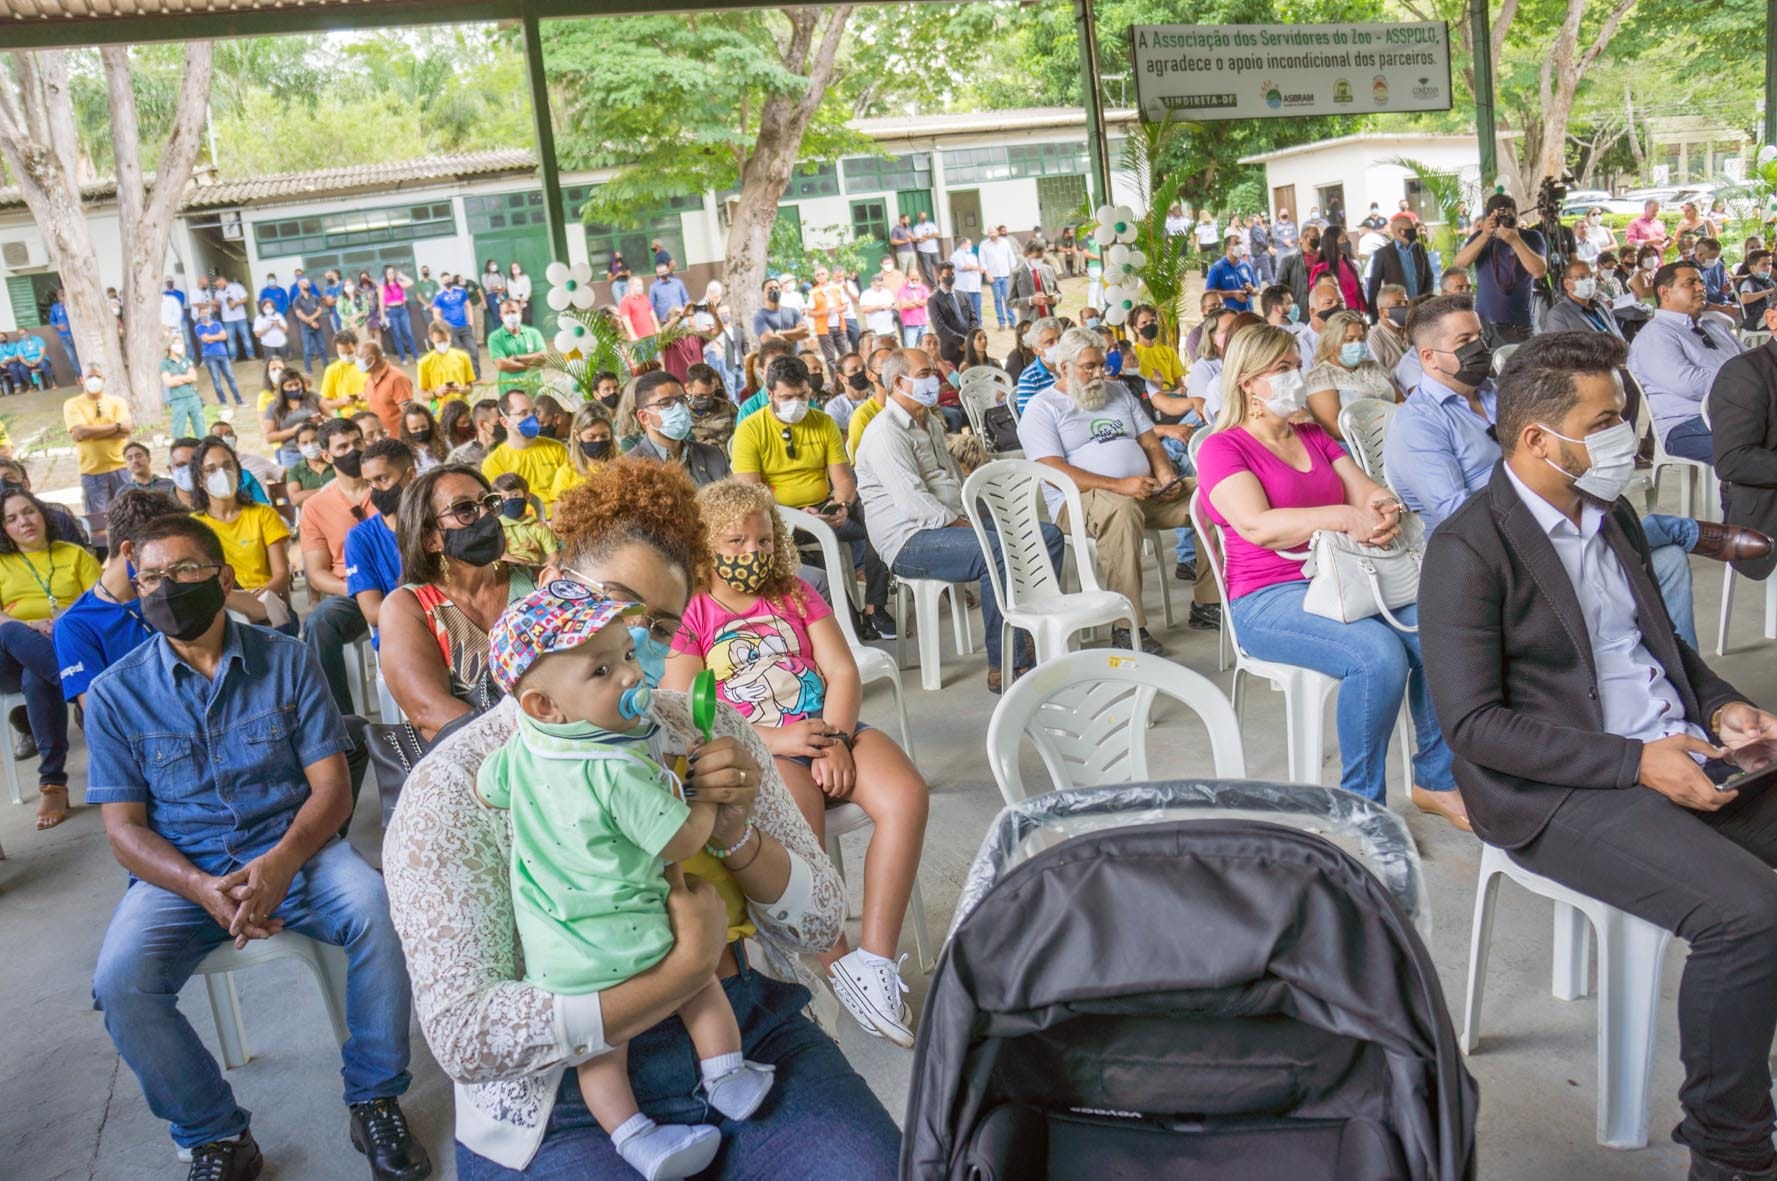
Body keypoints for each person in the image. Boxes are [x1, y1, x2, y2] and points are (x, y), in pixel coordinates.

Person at [383, 455, 896, 1179]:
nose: (636, 650)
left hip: (742, 1034)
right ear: (555, 585)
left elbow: (816, 926)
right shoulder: (459, 782)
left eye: (658, 625)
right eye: (619, 603)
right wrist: (681, 969)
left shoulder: (702, 731)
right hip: (559, 1091)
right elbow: (467, 1036)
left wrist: (734, 829)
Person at [1415, 332, 1777, 1181]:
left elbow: (1663, 647)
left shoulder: (1607, 512)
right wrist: (1634, 761)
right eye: (1607, 419)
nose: (1628, 436)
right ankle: (1731, 1151)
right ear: (1539, 439)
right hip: (1560, 786)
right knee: (1749, 916)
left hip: (1675, 746)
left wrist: (1724, 706)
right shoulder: (1468, 549)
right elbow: (1473, 726)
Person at [87, 514, 426, 1181]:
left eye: (183, 571)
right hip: (181, 875)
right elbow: (124, 831)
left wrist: (279, 863)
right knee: (119, 981)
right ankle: (215, 1133)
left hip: (297, 851)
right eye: (150, 576)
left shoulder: (288, 659)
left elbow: (330, 788)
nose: (166, 587)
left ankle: (374, 1096)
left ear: (223, 576)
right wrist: (200, 886)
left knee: (378, 907)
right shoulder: (114, 692)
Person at [481, 581, 776, 1179]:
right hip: (638, 933)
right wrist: (699, 795)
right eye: (601, 671)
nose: (629, 676)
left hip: (558, 951)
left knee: (598, 1052)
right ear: (544, 705)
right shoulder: (613, 770)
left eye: (626, 656)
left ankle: (634, 1137)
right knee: (700, 987)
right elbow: (682, 840)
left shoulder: (525, 748)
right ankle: (726, 1076)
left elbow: (489, 787)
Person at [665, 479, 929, 1045]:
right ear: (706, 542)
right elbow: (684, 708)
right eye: (734, 541)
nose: (750, 554)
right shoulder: (692, 611)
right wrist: (774, 740)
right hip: (764, 745)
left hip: (831, 726)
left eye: (762, 541)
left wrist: (834, 738)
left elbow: (841, 670)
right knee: (796, 813)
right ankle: (833, 957)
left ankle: (873, 964)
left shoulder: (794, 594)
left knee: (905, 793)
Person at [1197, 322, 1463, 819]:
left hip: (1345, 577)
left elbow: (1364, 489)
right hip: (1268, 596)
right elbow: (1256, 526)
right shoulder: (1223, 448)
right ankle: (1359, 805)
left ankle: (1436, 779)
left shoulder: (1313, 435)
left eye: (1296, 367)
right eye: (1281, 370)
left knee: (1439, 631)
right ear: (1247, 382)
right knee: (1377, 656)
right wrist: (1343, 516)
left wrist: (1382, 508)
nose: (1295, 378)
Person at [856, 348, 1064, 692]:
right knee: (994, 550)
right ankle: (1006, 665)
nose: (933, 380)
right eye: (924, 374)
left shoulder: (929, 423)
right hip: (909, 541)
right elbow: (915, 506)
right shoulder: (885, 433)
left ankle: (1029, 633)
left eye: (932, 373)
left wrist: (982, 517)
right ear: (897, 382)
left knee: (1047, 536)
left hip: (950, 524)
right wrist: (971, 527)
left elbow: (953, 481)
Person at [1019, 327, 1215, 654]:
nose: (1099, 374)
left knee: (1209, 495)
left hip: (1143, 492)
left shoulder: (1118, 393)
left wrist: (1166, 475)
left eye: (1101, 365)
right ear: (1064, 367)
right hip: (1078, 502)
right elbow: (1054, 472)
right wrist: (1120, 485)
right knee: (1121, 510)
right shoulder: (1043, 408)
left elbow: (1149, 441)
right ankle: (1127, 627)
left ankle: (1208, 603)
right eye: (1089, 367)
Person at [733, 354, 893, 638]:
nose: (796, 403)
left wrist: (841, 503)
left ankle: (874, 606)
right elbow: (751, 494)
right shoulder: (751, 429)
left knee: (880, 520)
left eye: (802, 395)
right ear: (769, 394)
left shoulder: (823, 422)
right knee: (846, 625)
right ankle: (843, 619)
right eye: (786, 397)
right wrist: (793, 516)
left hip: (825, 509)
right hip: (778, 519)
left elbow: (843, 477)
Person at [379, 465, 538, 736]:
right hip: (474, 755)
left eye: (489, 502)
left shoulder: (537, 583)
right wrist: (524, 748)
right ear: (430, 539)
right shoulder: (408, 607)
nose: (486, 514)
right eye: (465, 509)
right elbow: (428, 710)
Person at [0, 486, 97, 830]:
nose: (23, 521)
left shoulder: (74, 554)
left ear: (42, 514)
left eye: (28, 511)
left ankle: (52, 782)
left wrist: (62, 621)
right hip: (10, 652)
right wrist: (30, 625)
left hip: (67, 644)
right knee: (11, 634)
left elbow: (98, 602)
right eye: (11, 519)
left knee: (35, 677)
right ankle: (92, 699)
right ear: (3, 529)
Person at [54, 488, 182, 716]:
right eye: (165, 552)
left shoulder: (174, 592)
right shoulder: (75, 625)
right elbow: (100, 717)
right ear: (130, 550)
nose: (172, 563)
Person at [1627, 261, 1741, 463]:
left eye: (1701, 282)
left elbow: (1754, 363)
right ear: (1664, 292)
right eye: (1690, 283)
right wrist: (1747, 381)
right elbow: (1691, 384)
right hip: (1686, 426)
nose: (1700, 287)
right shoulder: (1656, 334)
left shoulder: (1715, 326)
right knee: (1760, 447)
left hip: (1734, 415)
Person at [299, 418, 374, 715]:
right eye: (343, 446)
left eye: (358, 443)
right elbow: (317, 574)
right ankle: (341, 721)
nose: (353, 451)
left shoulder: (387, 487)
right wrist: (357, 589)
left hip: (400, 586)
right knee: (319, 622)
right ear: (327, 456)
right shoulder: (316, 507)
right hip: (351, 593)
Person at [189, 438, 297, 636]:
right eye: (211, 469)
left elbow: (281, 575)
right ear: (199, 479)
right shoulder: (194, 526)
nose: (221, 474)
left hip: (264, 601)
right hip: (218, 607)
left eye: (227, 465)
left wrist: (254, 597)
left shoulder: (263, 514)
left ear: (238, 472)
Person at [1452, 192, 1548, 346]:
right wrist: (1484, 235)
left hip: (1518, 325)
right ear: (1490, 218)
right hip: (1484, 324)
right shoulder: (1480, 238)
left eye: (1509, 216)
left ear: (1516, 215)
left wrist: (1515, 240)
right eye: (1499, 218)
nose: (1504, 221)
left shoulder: (1532, 237)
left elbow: (1539, 271)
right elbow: (1458, 265)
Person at [343, 438, 417, 638]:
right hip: (400, 639)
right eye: (369, 482)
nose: (374, 489)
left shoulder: (435, 524)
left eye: (382, 479)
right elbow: (373, 613)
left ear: (410, 475)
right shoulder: (360, 538)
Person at [1303, 311, 1401, 438]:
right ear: (1332, 341)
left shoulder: (1374, 367)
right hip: (1359, 446)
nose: (1357, 344)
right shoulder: (1319, 376)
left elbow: (1401, 401)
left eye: (1361, 339)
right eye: (1349, 340)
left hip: (1398, 435)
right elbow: (1333, 428)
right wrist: (1380, 426)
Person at [629, 370, 732, 488]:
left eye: (682, 400)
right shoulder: (630, 469)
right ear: (644, 417)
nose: (679, 409)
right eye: (666, 403)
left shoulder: (713, 455)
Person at [481, 389, 572, 510]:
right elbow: (502, 509)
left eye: (534, 412)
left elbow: (569, 494)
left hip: (560, 518)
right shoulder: (493, 463)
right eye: (523, 413)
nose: (532, 418)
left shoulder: (558, 449)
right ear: (505, 422)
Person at [64, 368, 133, 515]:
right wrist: (116, 427)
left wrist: (90, 434)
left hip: (121, 468)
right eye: (90, 376)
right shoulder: (72, 404)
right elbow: (79, 432)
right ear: (81, 380)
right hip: (92, 472)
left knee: (129, 514)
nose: (94, 380)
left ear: (104, 379)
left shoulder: (117, 402)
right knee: (98, 519)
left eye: (98, 376)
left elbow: (126, 430)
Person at [1366, 213, 1435, 311]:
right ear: (1401, 231)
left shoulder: (1420, 249)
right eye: (1411, 228)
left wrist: (1425, 299)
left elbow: (1429, 276)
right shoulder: (1383, 254)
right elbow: (1374, 286)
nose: (1414, 231)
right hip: (1398, 308)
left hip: (1421, 307)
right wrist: (1375, 315)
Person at [1543, 258, 1626, 339]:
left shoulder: (1602, 307)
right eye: (1582, 277)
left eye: (1591, 276)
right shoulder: (1558, 314)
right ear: (1567, 284)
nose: (1589, 281)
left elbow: (1619, 336)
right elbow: (1564, 349)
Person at [492, 472, 560, 567]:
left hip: (533, 573)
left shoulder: (539, 526)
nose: (509, 501)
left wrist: (544, 569)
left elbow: (554, 557)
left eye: (515, 495)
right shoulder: (496, 527)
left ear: (527, 497)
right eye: (503, 499)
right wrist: (523, 564)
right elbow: (501, 555)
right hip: (505, 571)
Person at [262, 367, 325, 469]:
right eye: (289, 386)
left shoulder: (312, 397)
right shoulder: (274, 406)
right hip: (291, 454)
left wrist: (321, 421)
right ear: (282, 388)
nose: (294, 388)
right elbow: (269, 437)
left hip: (318, 448)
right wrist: (293, 431)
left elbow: (330, 418)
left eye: (297, 384)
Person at [357, 337, 416, 440]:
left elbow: (409, 413)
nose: (357, 362)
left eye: (360, 358)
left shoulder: (397, 379)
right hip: (381, 440)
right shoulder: (369, 381)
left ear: (372, 359)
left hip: (399, 440)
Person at [1307, 223, 1367, 317]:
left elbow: (1359, 290)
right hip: (1335, 315)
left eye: (1347, 239)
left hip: (1356, 313)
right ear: (1333, 243)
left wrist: (1362, 308)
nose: (1347, 242)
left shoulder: (1352, 264)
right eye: (1343, 239)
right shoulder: (1320, 268)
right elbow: (1317, 295)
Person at [925, 260, 977, 364]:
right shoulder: (934, 300)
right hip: (951, 349)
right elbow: (940, 327)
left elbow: (973, 318)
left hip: (969, 347)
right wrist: (961, 341)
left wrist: (969, 339)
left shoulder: (963, 295)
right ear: (939, 277)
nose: (951, 277)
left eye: (952, 274)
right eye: (947, 274)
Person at [431, 273, 480, 380]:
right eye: (444, 280)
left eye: (448, 279)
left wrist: (470, 322)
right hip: (451, 330)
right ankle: (463, 378)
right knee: (459, 353)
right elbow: (436, 314)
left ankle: (477, 377)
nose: (447, 281)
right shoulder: (439, 296)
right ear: (442, 282)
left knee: (474, 350)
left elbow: (468, 306)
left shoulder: (461, 291)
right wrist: (443, 329)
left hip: (464, 326)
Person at [193, 301, 242, 408]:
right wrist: (216, 336)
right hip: (209, 356)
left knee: (231, 378)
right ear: (199, 314)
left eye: (206, 312)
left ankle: (239, 401)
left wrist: (211, 337)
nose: (205, 314)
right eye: (203, 313)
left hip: (223, 354)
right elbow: (205, 339)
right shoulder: (198, 327)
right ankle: (223, 402)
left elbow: (224, 337)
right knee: (216, 380)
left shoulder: (217, 323)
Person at [419, 320, 475, 413]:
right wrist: (436, 393)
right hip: (440, 411)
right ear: (431, 338)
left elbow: (470, 387)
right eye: (439, 341)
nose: (442, 344)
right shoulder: (424, 362)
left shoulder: (463, 357)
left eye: (445, 340)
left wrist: (462, 389)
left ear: (450, 336)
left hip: (462, 408)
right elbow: (424, 395)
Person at [160, 335, 210, 440]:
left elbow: (194, 377)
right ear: (169, 346)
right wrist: (186, 378)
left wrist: (178, 377)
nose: (180, 346)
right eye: (176, 343)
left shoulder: (186, 360)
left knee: (200, 428)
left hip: (193, 397)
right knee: (178, 431)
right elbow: (169, 382)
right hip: (178, 400)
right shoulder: (165, 363)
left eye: (180, 343)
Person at [1012, 316, 1064, 414]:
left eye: (1059, 339)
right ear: (1036, 350)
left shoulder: (1072, 366)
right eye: (1050, 342)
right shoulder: (1029, 379)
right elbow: (1031, 419)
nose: (1058, 344)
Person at [1009, 239, 1061, 325]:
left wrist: (1054, 299)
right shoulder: (1016, 274)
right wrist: (1031, 300)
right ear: (1027, 254)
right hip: (1030, 322)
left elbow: (1059, 294)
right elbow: (1010, 302)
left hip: (1050, 320)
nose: (1039, 260)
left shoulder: (1048, 270)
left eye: (1041, 257)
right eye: (1036, 257)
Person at [284, 420, 334, 506]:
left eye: (314, 440)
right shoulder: (295, 470)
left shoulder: (335, 462)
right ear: (298, 447)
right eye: (304, 443)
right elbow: (295, 499)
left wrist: (307, 494)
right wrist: (326, 489)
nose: (310, 445)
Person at [1205, 233, 1259, 313]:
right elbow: (1209, 293)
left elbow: (1256, 288)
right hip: (1228, 315)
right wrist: (1233, 294)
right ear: (1227, 247)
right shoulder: (1217, 268)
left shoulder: (1246, 266)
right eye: (1237, 243)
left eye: (1241, 243)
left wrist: (1252, 290)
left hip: (1247, 314)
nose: (1240, 246)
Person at [979, 226, 1018, 328]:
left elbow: (1011, 257)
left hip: (1006, 275)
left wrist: (1012, 271)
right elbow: (982, 260)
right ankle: (1001, 323)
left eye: (993, 232)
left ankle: (1012, 322)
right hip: (993, 276)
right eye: (989, 232)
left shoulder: (1005, 242)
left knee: (1008, 298)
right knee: (997, 300)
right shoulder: (984, 245)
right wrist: (986, 273)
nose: (991, 234)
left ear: (997, 232)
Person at [751, 276, 808, 347]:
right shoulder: (760, 316)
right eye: (770, 288)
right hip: (774, 357)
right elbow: (768, 339)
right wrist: (796, 334)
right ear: (763, 293)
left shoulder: (793, 312)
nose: (774, 290)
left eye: (776, 288)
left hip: (793, 356)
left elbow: (806, 332)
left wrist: (781, 333)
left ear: (781, 290)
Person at [381, 265, 419, 362]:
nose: (391, 275)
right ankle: (403, 358)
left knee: (408, 333)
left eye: (393, 272)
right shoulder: (383, 286)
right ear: (385, 274)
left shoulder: (399, 283)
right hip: (391, 311)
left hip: (402, 310)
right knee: (397, 335)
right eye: (389, 273)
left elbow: (411, 282)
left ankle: (416, 356)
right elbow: (381, 303)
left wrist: (401, 276)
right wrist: (383, 317)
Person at [290, 276, 327, 373]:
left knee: (322, 347)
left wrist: (312, 320)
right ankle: (308, 369)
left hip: (317, 327)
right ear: (300, 286)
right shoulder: (296, 300)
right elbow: (299, 314)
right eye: (305, 284)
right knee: (307, 350)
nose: (307, 285)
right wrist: (311, 322)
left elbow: (319, 310)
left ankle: (327, 366)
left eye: (308, 284)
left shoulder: (315, 298)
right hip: (305, 328)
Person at [402, 402, 449, 472]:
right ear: (407, 429)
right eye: (415, 428)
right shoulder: (403, 451)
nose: (420, 430)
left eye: (423, 426)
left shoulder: (444, 443)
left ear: (430, 424)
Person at [1737, 250, 1777, 332]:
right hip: (1758, 319)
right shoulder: (1749, 282)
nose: (1768, 267)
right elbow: (1745, 299)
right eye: (1763, 265)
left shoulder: (1771, 282)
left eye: (1770, 264)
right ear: (1752, 268)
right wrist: (1768, 291)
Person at [895, 270, 931, 349]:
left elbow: (928, 301)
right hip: (910, 325)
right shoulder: (902, 289)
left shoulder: (923, 288)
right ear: (907, 278)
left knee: (926, 348)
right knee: (910, 348)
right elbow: (904, 305)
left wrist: (913, 301)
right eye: (912, 279)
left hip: (923, 323)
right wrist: (920, 303)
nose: (915, 281)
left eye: (917, 279)